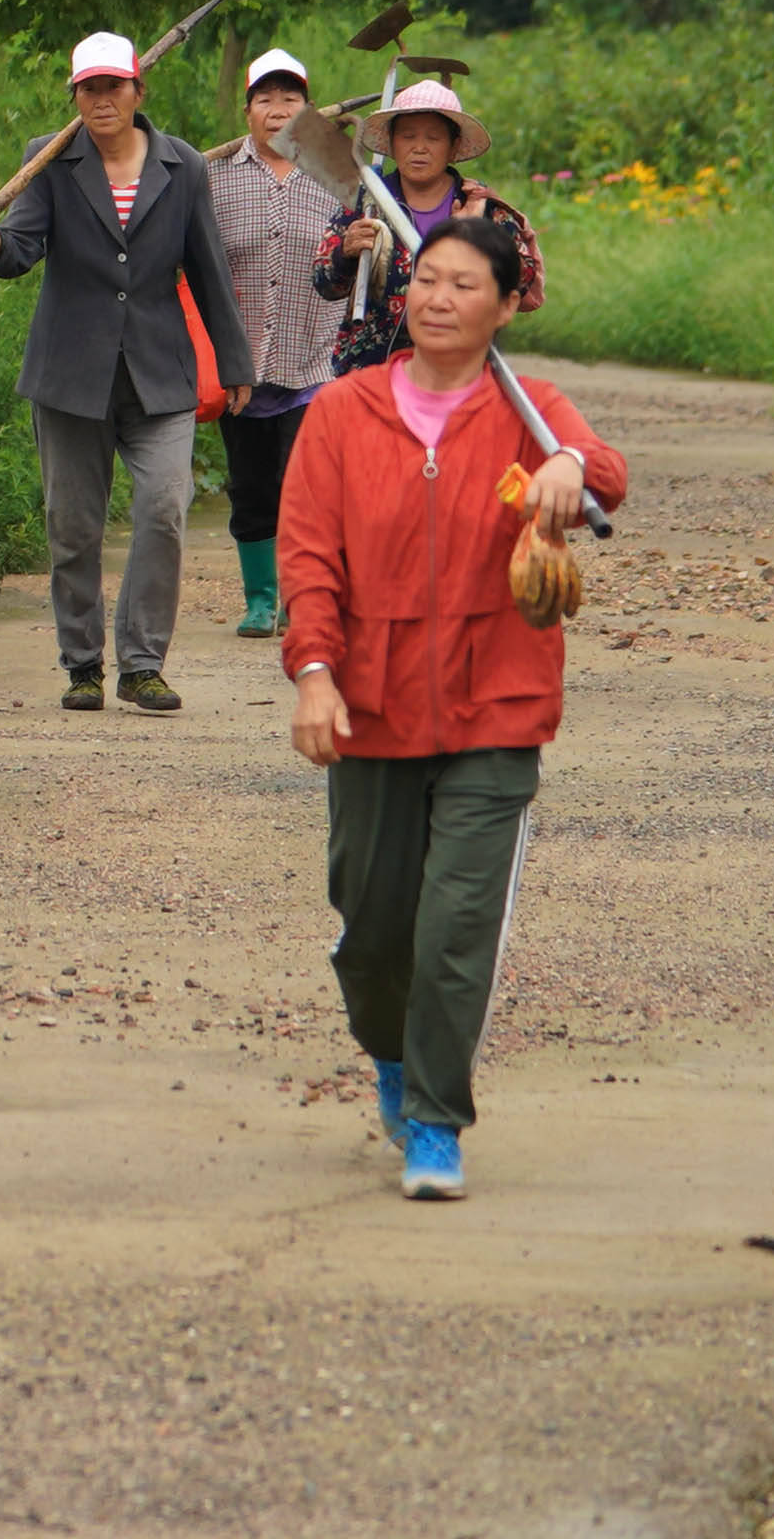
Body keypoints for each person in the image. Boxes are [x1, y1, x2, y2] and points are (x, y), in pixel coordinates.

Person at [277, 204, 628, 1202]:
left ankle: (436, 1116)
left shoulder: (532, 405)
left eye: (465, 284)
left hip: (495, 707)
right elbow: (307, 557)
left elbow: (607, 473)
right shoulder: (344, 412)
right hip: (373, 706)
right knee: (375, 926)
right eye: (427, 277)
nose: (437, 296)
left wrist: (566, 461)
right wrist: (313, 671)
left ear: (507, 305)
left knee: (457, 924)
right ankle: (389, 1049)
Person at [0, 30, 254, 710]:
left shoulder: (182, 167)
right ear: (76, 97)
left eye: (114, 85)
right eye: (88, 88)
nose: (102, 99)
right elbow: (18, 252)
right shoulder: (51, 162)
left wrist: (235, 363)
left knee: (164, 510)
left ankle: (143, 662)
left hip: (159, 374)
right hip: (71, 373)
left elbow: (207, 270)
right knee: (74, 525)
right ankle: (82, 663)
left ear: (138, 90)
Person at [202, 47, 345, 638]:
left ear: (307, 108)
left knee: (305, 487)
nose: (278, 109)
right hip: (241, 362)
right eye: (266, 98)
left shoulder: (336, 170)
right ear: (248, 110)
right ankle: (260, 600)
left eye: (290, 98)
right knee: (251, 486)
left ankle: (299, 596)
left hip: (315, 357)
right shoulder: (213, 175)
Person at [320, 78, 540, 377]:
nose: (419, 148)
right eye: (408, 136)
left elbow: (521, 277)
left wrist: (478, 243)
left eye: (433, 138)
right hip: (371, 370)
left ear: (453, 148)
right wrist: (345, 253)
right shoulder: (366, 200)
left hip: (457, 372)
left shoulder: (480, 205)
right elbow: (324, 281)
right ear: (392, 144)